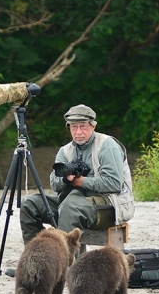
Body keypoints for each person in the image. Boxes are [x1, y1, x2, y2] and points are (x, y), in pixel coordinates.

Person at [19, 104, 135, 246]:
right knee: (29, 204)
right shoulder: (65, 151)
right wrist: (65, 179)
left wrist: (80, 181)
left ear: (93, 126)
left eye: (83, 126)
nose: (78, 132)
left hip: (109, 206)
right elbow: (54, 184)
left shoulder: (107, 145)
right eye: (74, 127)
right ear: (69, 128)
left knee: (71, 206)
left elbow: (114, 183)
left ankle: (64, 258)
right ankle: (36, 254)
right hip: (72, 203)